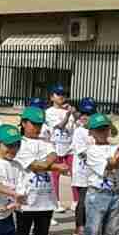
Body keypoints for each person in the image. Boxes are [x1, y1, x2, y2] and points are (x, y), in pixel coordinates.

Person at [11, 105, 63, 235]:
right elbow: (36, 165)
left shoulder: (44, 142)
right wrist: (52, 165)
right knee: (22, 233)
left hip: (46, 197)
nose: (37, 128)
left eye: (40, 124)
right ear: (24, 123)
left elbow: (53, 155)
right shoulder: (18, 143)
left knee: (43, 234)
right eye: (33, 124)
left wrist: (48, 162)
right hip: (27, 197)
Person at [78, 113, 119, 235]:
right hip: (97, 194)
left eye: (105, 129)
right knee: (92, 229)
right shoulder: (91, 151)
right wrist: (116, 159)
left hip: (114, 192)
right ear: (91, 132)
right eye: (98, 130)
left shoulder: (114, 147)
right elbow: (110, 165)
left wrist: (118, 157)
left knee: (110, 231)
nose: (103, 132)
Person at [67, 98, 97, 235]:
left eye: (89, 114)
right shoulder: (79, 131)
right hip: (81, 171)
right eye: (83, 113)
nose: (85, 117)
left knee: (92, 200)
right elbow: (82, 152)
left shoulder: (96, 130)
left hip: (94, 172)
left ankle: (89, 225)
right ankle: (79, 227)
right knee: (83, 200)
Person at [45, 85, 75, 213]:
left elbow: (75, 126)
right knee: (55, 176)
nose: (61, 96)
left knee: (75, 174)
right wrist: (67, 116)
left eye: (63, 94)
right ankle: (57, 202)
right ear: (52, 97)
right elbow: (59, 126)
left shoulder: (68, 110)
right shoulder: (49, 112)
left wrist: (74, 113)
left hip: (70, 147)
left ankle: (75, 201)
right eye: (58, 94)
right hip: (56, 146)